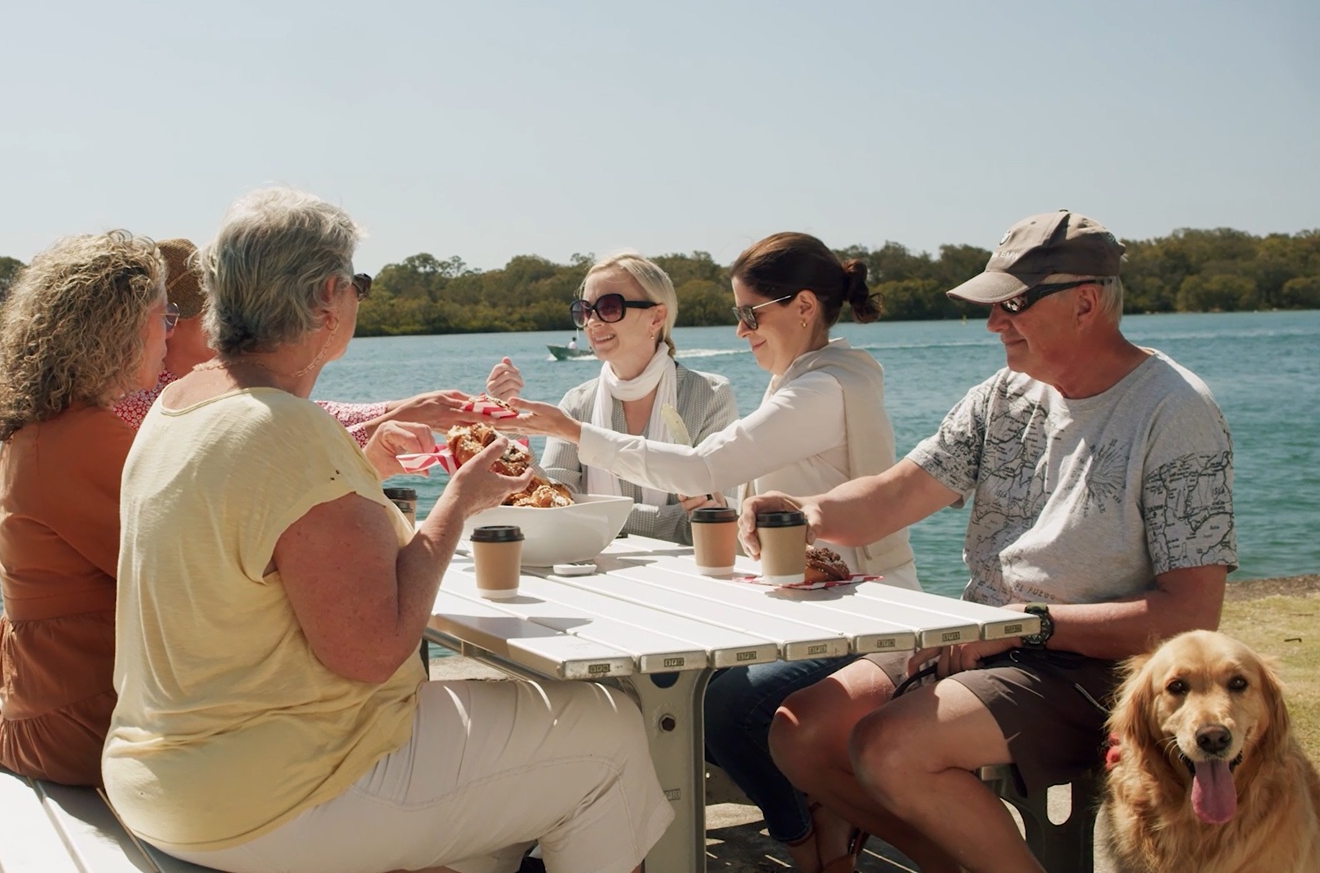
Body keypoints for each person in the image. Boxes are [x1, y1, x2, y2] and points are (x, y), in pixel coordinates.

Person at [103, 187, 673, 873]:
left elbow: (270, 541)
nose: (357, 302)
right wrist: (458, 503)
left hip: (162, 772)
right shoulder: (284, 430)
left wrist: (360, 466)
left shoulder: (179, 402)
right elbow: (373, 651)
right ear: (325, 299)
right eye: (358, 285)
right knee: (607, 730)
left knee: (512, 748)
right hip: (267, 798)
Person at [749, 210, 1236, 873]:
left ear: (1085, 302)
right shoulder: (1002, 395)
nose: (993, 324)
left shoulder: (1175, 410)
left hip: (1097, 667)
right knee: (801, 733)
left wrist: (1025, 626)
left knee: (891, 748)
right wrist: (806, 512)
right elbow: (895, 496)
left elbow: (1188, 617)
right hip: (987, 634)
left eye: (1012, 304)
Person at [504, 232, 918, 871]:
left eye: (751, 314)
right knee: (671, 684)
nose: (741, 329)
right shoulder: (804, 381)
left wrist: (569, 431)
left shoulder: (821, 391)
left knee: (725, 706)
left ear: (803, 306)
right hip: (809, 603)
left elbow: (701, 468)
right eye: (738, 314)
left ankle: (807, 836)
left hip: (865, 615)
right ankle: (630, 837)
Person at [0, 231, 172, 786]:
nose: (172, 331)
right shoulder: (78, 440)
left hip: (53, 709)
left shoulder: (49, 429)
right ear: (118, 331)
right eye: (166, 313)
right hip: (86, 724)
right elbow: (195, 572)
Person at [113, 238, 485, 445]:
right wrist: (389, 424)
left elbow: (297, 416)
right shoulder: (142, 402)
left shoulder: (180, 387)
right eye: (213, 315)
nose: (224, 325)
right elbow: (274, 449)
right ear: (168, 324)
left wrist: (403, 407)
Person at [486, 251, 738, 544]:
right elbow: (554, 506)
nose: (593, 322)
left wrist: (594, 513)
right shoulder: (576, 403)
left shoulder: (710, 396)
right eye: (585, 310)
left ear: (656, 317)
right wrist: (507, 424)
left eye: (608, 306)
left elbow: (715, 519)